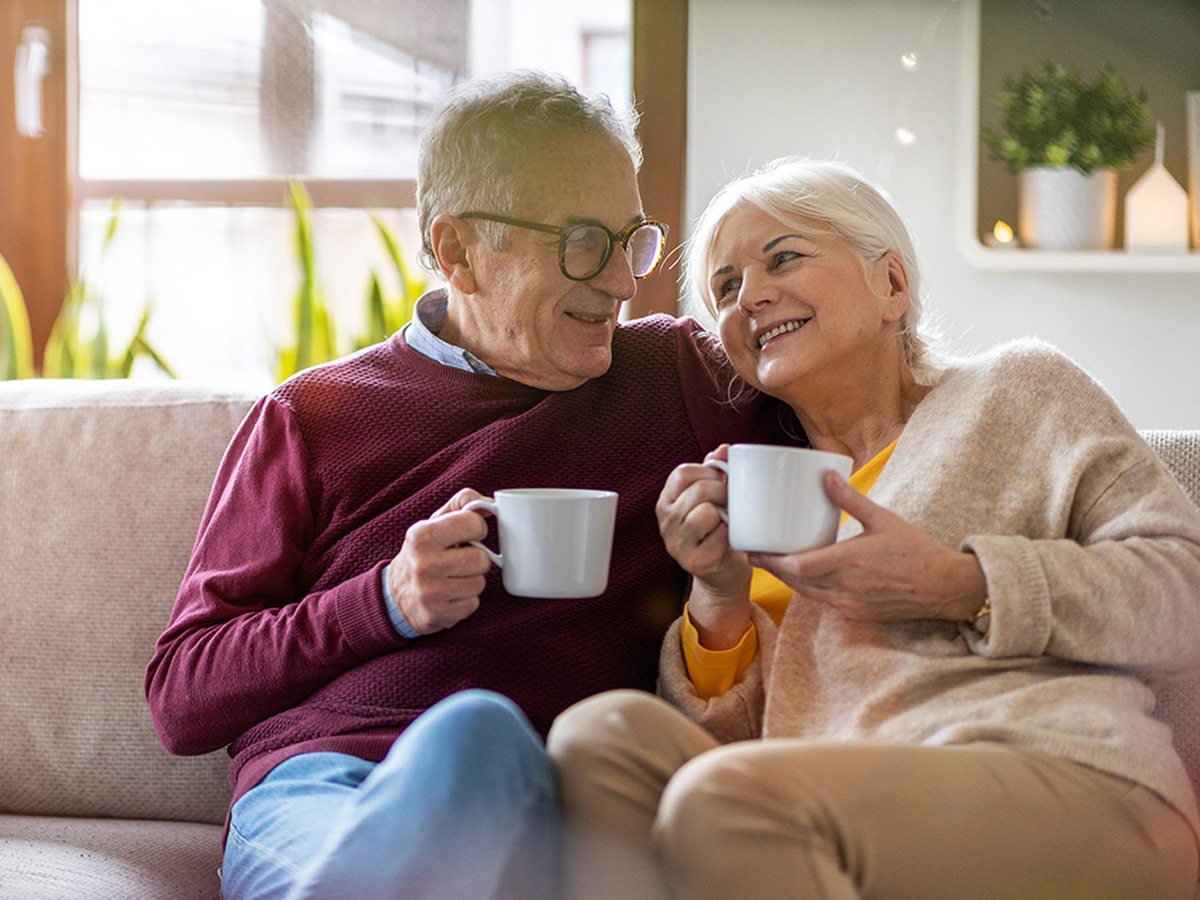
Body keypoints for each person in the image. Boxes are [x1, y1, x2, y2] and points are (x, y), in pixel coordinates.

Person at [144, 71, 789, 900]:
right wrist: (382, 601)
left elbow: (869, 417)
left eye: (633, 239)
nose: (625, 281)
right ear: (458, 252)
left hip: (556, 800)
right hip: (328, 792)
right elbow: (181, 698)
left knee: (487, 740)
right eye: (584, 242)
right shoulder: (312, 417)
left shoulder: (677, 375)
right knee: (468, 742)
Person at [548, 157, 1200, 900]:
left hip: (1072, 780)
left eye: (783, 257)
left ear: (891, 284)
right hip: (823, 802)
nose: (749, 295)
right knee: (599, 738)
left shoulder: (1016, 390)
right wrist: (719, 592)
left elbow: (1188, 587)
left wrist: (966, 585)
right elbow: (741, 756)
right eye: (725, 287)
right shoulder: (765, 496)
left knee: (731, 800)